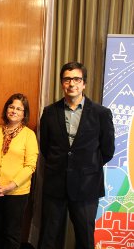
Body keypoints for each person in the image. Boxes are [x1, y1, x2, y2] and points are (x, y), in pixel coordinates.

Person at [38, 62, 115, 249]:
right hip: (56, 184)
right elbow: (46, 147)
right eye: (67, 79)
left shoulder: (101, 114)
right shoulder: (49, 112)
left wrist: (86, 166)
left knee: (85, 237)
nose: (72, 84)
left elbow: (107, 150)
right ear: (62, 83)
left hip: (87, 186)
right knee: (48, 237)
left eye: (77, 79)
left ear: (84, 83)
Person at [0, 93, 39, 249]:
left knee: (12, 234)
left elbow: (30, 166)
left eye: (19, 109)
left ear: (24, 114)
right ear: (6, 109)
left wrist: (11, 186)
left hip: (17, 193)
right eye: (11, 107)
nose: (14, 111)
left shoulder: (29, 135)